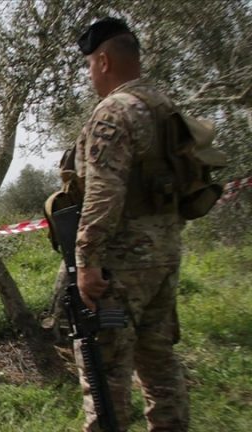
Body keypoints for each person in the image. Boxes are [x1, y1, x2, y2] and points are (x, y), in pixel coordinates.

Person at [65, 17, 190, 431]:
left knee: (105, 372)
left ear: (103, 60)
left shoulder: (115, 112)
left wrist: (87, 261)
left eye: (88, 66)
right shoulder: (164, 107)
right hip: (164, 257)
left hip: (120, 266)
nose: (89, 75)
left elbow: (104, 192)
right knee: (160, 368)